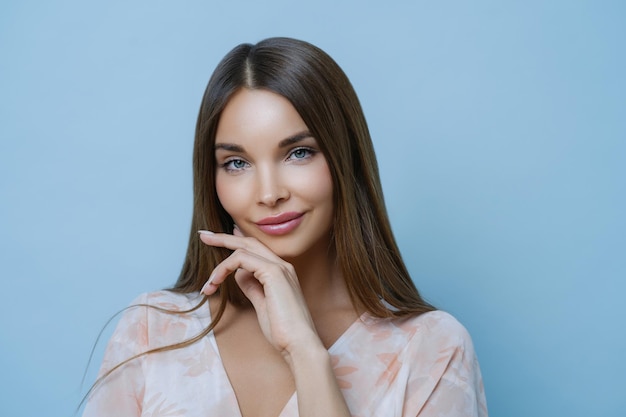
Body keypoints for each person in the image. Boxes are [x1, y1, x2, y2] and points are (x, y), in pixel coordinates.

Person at [82, 37, 488, 417]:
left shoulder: (432, 349)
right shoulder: (152, 329)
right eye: (236, 163)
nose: (269, 193)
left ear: (345, 159)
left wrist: (305, 353)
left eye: (298, 153)